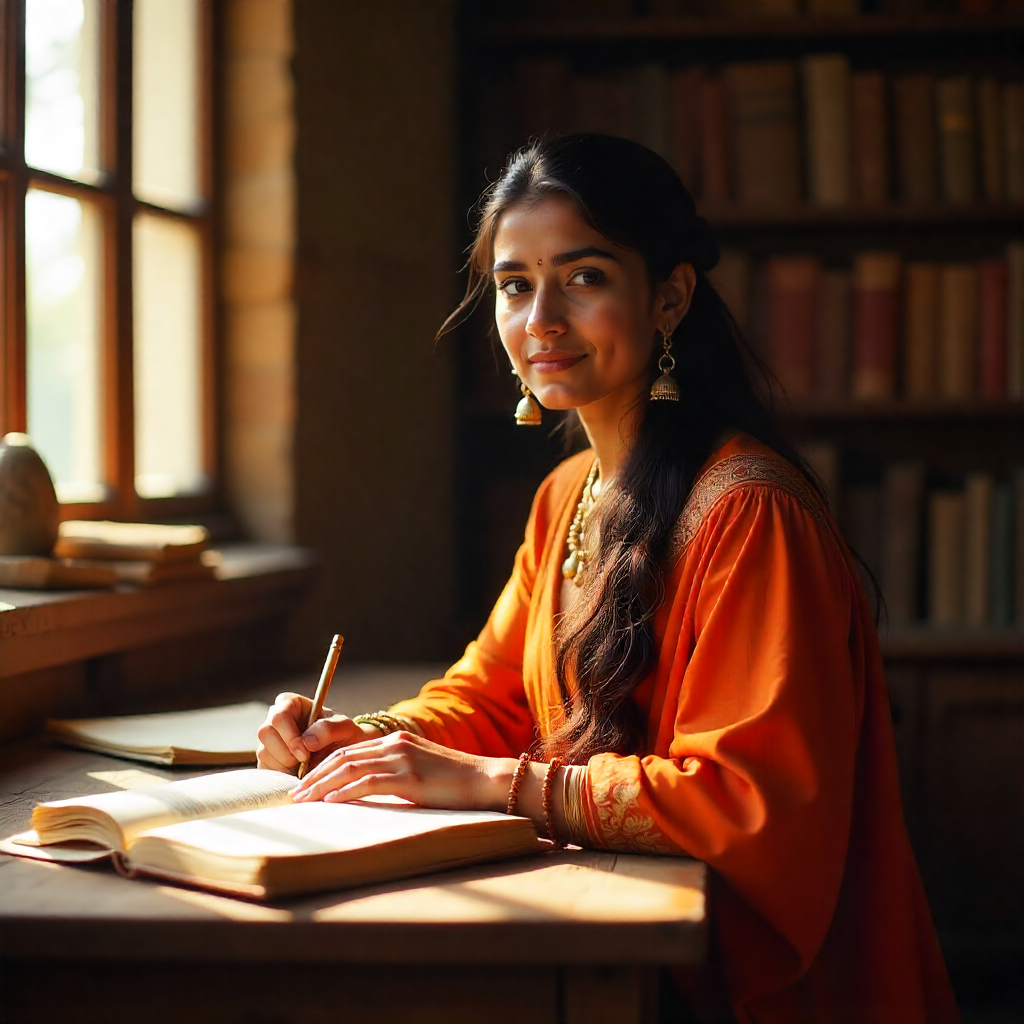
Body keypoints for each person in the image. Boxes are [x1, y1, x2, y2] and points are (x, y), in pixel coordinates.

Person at [257, 134, 959, 1023]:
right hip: (620, 919)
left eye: (583, 278)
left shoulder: (748, 514)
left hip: (744, 977)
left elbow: (743, 800)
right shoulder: (566, 496)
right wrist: (355, 741)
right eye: (515, 285)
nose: (540, 320)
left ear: (669, 295)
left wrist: (488, 784)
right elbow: (494, 695)